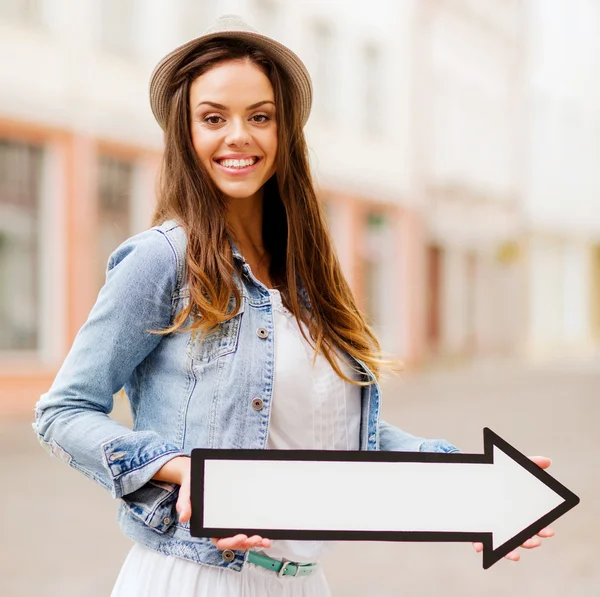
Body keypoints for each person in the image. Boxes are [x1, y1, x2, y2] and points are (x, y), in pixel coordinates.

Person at [32, 14, 553, 597]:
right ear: (186, 134)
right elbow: (62, 413)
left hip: (302, 582)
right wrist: (189, 474)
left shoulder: (308, 275)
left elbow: (339, 440)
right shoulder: (164, 259)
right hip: (199, 577)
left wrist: (466, 481)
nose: (239, 136)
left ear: (286, 133)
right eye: (213, 119)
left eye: (260, 116)